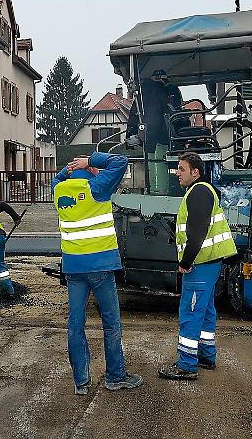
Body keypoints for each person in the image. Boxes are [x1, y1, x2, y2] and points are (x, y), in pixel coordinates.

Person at [52, 152, 143, 395]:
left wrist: (71, 168)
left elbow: (59, 177)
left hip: (73, 268)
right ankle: (115, 376)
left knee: (75, 325)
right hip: (101, 266)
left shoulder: (58, 190)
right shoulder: (96, 188)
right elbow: (120, 161)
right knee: (111, 323)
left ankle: (81, 382)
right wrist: (91, 161)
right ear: (89, 170)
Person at [159, 152, 237, 380]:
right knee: (205, 311)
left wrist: (185, 262)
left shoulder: (199, 192)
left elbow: (197, 233)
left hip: (200, 264)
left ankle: (186, 365)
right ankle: (206, 355)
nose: (177, 173)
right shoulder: (202, 191)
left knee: (191, 312)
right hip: (209, 262)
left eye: (181, 169)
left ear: (196, 172)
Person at [125, 70, 183, 195]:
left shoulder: (143, 93)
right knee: (167, 165)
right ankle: (172, 187)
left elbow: (134, 114)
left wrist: (131, 133)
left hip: (150, 137)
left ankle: (155, 187)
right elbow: (176, 111)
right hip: (165, 136)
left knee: (153, 163)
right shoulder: (170, 90)